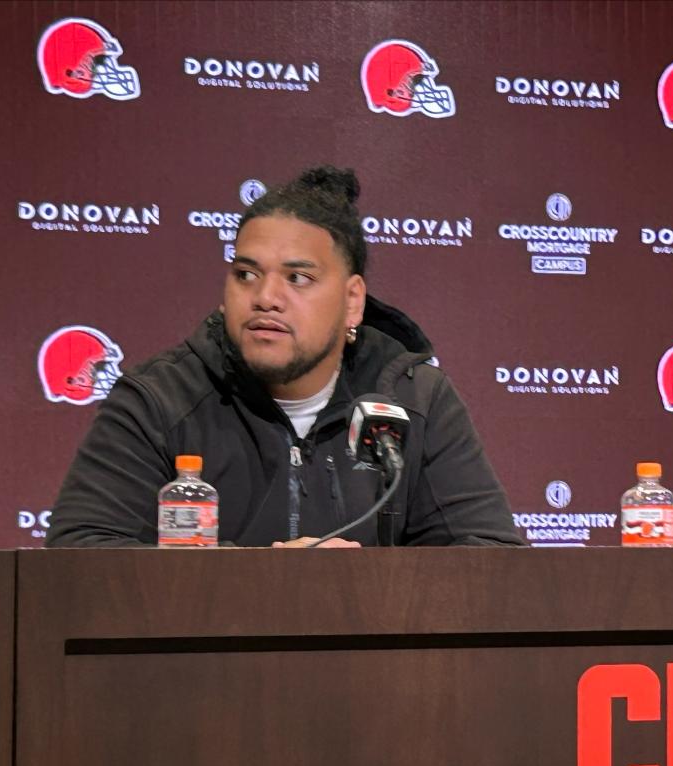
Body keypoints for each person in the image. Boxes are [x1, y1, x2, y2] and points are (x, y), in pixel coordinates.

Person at [46, 166, 522, 548]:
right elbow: (80, 552)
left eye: (297, 279)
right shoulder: (158, 400)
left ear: (353, 300)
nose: (265, 297)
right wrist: (263, 587)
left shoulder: (413, 400)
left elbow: (490, 560)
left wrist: (370, 591)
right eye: (246, 275)